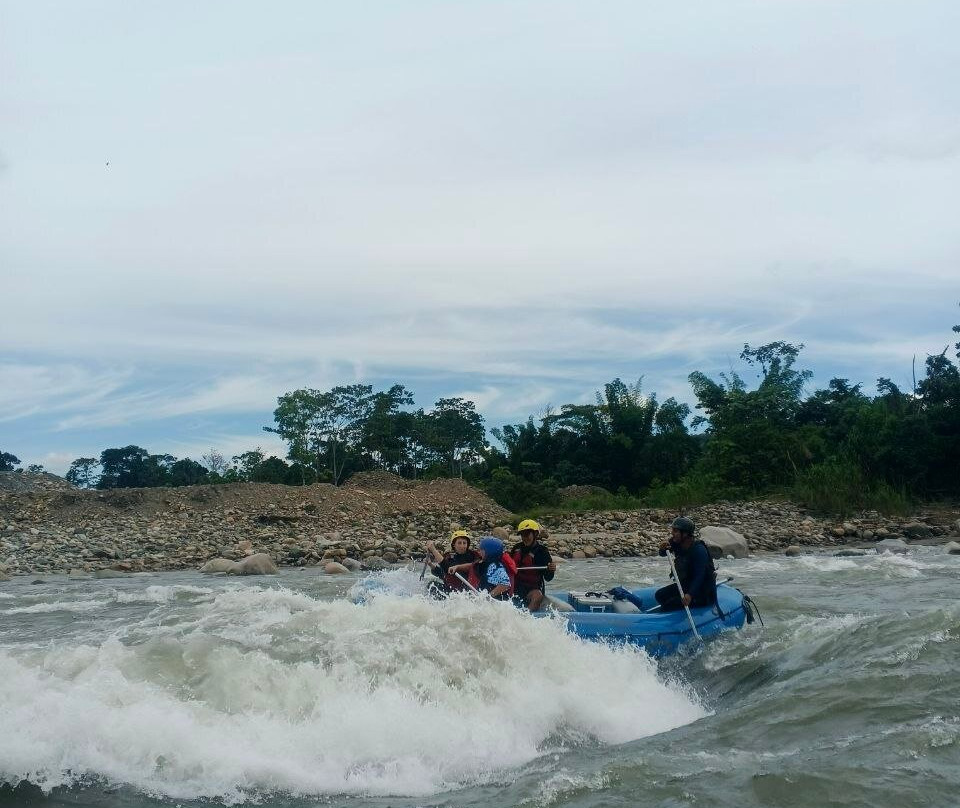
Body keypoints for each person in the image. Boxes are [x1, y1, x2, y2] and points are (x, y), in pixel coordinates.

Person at [654, 516, 717, 611]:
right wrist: (662, 549)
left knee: (669, 605)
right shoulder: (676, 543)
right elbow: (663, 553)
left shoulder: (699, 550)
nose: (672, 533)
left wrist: (690, 595)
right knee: (660, 595)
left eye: (675, 531)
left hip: (702, 591)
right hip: (686, 585)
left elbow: (699, 576)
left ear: (685, 534)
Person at [448, 536, 515, 600]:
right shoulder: (485, 562)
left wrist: (488, 597)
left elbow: (505, 584)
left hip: (495, 602)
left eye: (482, 550)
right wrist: (457, 567)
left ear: (489, 551)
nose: (479, 552)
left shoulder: (495, 567)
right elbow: (472, 565)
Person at [510, 519, 556, 611]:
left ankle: (526, 617)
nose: (524, 538)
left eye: (527, 534)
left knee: (537, 596)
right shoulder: (516, 548)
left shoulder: (542, 552)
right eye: (522, 535)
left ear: (535, 534)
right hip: (516, 587)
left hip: (533, 589)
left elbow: (548, 578)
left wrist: (551, 570)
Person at [424, 530, 481, 596]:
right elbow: (443, 574)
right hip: (452, 590)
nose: (462, 546)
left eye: (464, 543)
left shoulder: (473, 555)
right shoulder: (450, 557)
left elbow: (447, 567)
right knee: (432, 585)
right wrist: (431, 565)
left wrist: (433, 550)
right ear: (454, 545)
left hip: (466, 591)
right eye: (459, 543)